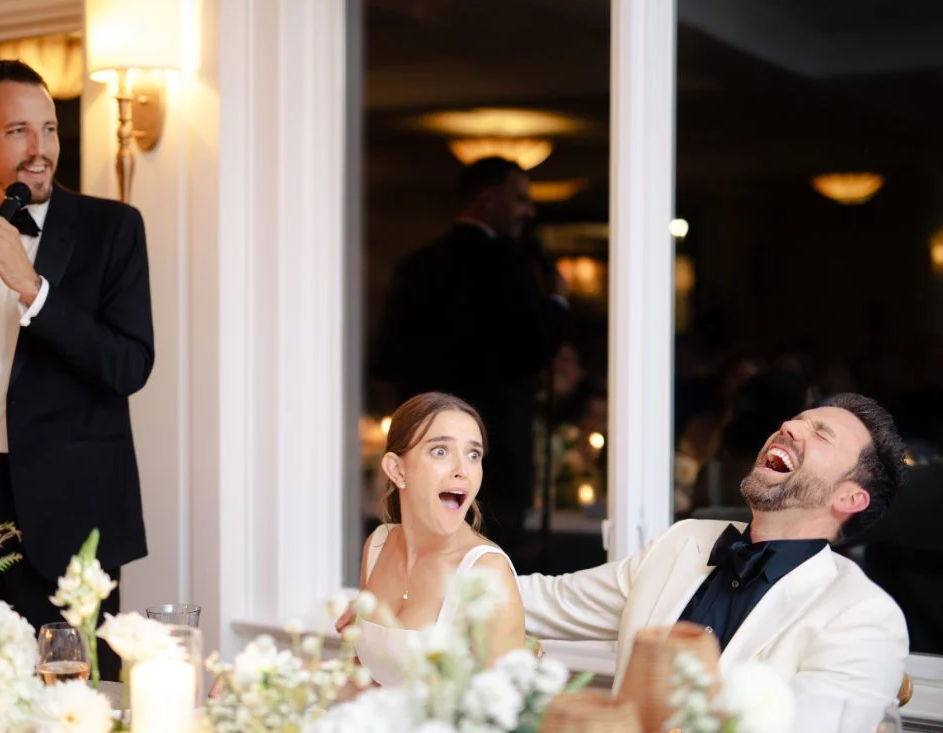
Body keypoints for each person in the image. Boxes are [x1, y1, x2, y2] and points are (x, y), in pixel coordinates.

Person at [0, 60, 153, 678]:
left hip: (69, 512)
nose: (41, 150)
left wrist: (34, 290)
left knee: (69, 698)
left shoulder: (112, 229)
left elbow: (129, 364)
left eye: (50, 129)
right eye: (18, 131)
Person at [518, 393, 909, 730]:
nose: (789, 426)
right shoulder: (683, 542)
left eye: (821, 434)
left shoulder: (863, 616)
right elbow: (543, 601)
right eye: (798, 419)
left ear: (849, 499)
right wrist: (460, 540)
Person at [373, 158, 569, 567]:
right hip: (494, 442)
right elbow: (535, 347)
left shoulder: (416, 266)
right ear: (487, 200)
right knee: (488, 556)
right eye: (520, 199)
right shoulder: (508, 265)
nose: (529, 211)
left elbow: (386, 357)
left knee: (423, 551)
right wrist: (556, 301)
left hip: (422, 441)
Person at [338, 392, 524, 686]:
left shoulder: (487, 571)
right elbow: (365, 676)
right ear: (397, 469)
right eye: (440, 451)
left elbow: (506, 716)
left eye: (473, 455)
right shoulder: (377, 545)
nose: (462, 470)